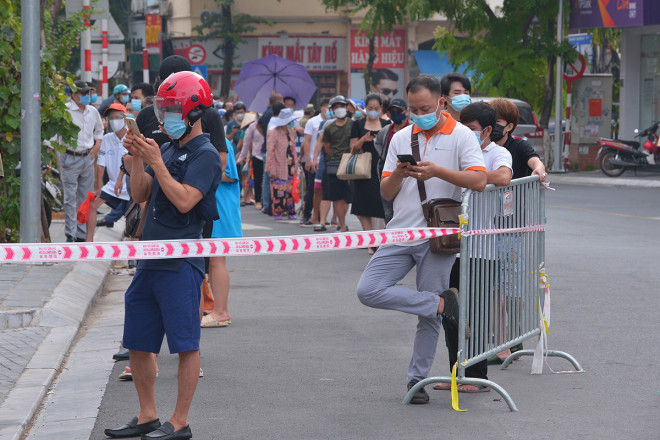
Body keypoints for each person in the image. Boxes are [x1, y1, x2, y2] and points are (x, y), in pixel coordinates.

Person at [104, 71, 222, 440]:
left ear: (191, 109)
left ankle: (180, 421)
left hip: (181, 263)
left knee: (185, 344)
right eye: (163, 108)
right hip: (150, 260)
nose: (164, 116)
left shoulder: (206, 155)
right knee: (138, 340)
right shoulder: (167, 147)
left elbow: (186, 200)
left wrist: (155, 161)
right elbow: (140, 195)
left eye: (171, 108)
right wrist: (136, 158)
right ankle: (147, 415)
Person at [356, 75, 487, 405]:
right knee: (368, 289)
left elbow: (479, 180)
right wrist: (399, 174)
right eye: (413, 109)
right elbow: (385, 191)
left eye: (424, 108)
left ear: (442, 102)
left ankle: (417, 380)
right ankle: (444, 304)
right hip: (400, 231)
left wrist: (437, 172)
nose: (418, 114)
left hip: (440, 236)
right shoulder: (400, 138)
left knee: (426, 318)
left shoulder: (461, 136)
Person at [432, 101, 513, 393]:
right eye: (463, 127)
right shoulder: (458, 149)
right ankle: (457, 373)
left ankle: (478, 376)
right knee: (451, 311)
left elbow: (504, 177)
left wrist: (471, 176)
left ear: (488, 130)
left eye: (473, 129)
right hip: (450, 246)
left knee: (474, 313)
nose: (466, 133)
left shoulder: (496, 152)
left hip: (481, 248)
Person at [56, 80, 103, 242]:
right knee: (70, 198)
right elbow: (54, 135)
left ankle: (82, 234)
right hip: (70, 157)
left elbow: (99, 129)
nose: (87, 96)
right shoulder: (65, 110)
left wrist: (98, 144)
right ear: (74, 95)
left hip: (87, 157)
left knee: (86, 198)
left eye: (88, 93)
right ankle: (71, 234)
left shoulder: (92, 111)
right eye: (83, 93)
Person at [203, 137, 242, 327]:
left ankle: (221, 312)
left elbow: (230, 174)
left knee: (217, 260)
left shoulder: (222, 143)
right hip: (214, 207)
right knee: (213, 261)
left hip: (221, 208)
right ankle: (220, 308)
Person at [349, 93, 389, 252]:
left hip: (381, 168)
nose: (373, 111)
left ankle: (377, 238)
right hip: (362, 168)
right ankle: (370, 239)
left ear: (381, 109)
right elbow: (352, 149)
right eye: (370, 108)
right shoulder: (357, 125)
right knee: (362, 204)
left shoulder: (387, 124)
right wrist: (363, 139)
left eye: (376, 108)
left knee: (380, 203)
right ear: (365, 108)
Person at [86, 103, 131, 239]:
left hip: (129, 185)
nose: (114, 121)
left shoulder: (132, 137)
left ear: (125, 118)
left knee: (133, 216)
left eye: (117, 117)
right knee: (93, 205)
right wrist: (99, 186)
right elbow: (101, 164)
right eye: (111, 118)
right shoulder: (107, 138)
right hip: (112, 185)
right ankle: (89, 242)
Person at [489, 98, 548, 181]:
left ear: (509, 127)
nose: (491, 125)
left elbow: (535, 161)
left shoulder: (520, 146)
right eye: (489, 121)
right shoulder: (481, 146)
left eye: (497, 122)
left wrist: (539, 170)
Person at [374, 98, 410, 224]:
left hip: (408, 173)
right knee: (388, 209)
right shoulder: (386, 131)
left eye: (398, 111)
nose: (395, 113)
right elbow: (378, 144)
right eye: (392, 111)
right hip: (389, 172)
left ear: (406, 111)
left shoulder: (412, 129)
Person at [320, 95, 352, 233]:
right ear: (332, 110)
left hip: (350, 165)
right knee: (337, 198)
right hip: (334, 164)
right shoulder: (329, 127)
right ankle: (342, 225)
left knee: (348, 197)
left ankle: (341, 223)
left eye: (342, 106)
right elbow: (327, 147)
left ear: (346, 107)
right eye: (336, 107)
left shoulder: (353, 124)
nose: (339, 109)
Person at [265, 108, 300, 220]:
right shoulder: (274, 133)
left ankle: (291, 211)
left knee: (290, 190)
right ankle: (278, 212)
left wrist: (296, 165)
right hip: (278, 165)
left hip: (290, 166)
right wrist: (271, 168)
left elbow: (293, 150)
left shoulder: (291, 133)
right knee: (279, 190)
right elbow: (270, 152)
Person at [301, 99, 329, 226]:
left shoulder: (332, 122)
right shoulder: (313, 122)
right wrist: (308, 159)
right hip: (314, 160)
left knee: (325, 190)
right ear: (322, 108)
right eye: (328, 107)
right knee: (312, 189)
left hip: (327, 161)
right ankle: (307, 214)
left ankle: (320, 216)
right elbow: (306, 141)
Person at [257, 93, 284, 214]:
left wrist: (265, 136)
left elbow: (258, 125)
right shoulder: (272, 115)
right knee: (270, 178)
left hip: (267, 148)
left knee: (268, 178)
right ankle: (268, 204)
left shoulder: (267, 113)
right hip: (270, 150)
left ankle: (267, 203)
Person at [237, 112, 263, 208]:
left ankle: (252, 198)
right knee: (253, 178)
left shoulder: (267, 125)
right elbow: (243, 144)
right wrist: (242, 157)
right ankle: (253, 199)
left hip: (260, 156)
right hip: (252, 156)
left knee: (253, 178)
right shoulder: (250, 128)